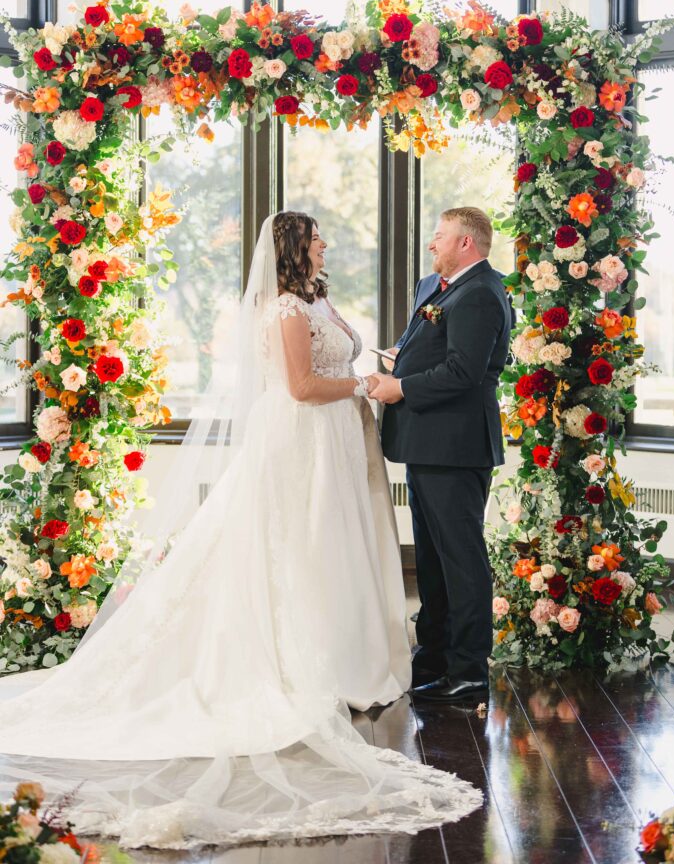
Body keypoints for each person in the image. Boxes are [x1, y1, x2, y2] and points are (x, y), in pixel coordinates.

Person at [0, 212, 481, 851]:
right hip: (304, 440)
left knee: (335, 550)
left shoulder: (317, 299)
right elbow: (304, 387)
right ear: (292, 248)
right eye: (316, 238)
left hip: (340, 439)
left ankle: (354, 658)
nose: (325, 244)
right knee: (301, 547)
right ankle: (308, 663)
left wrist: (377, 375)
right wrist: (365, 384)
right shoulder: (283, 309)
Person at [371, 207, 513, 703]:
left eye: (439, 238)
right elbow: (432, 347)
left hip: (456, 447)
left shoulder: (480, 294)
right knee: (431, 561)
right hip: (425, 443)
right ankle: (433, 656)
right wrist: (400, 357)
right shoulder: (436, 286)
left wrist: (400, 386)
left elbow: (464, 373)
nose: (432, 246)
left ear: (467, 244)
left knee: (461, 559)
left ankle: (470, 669)